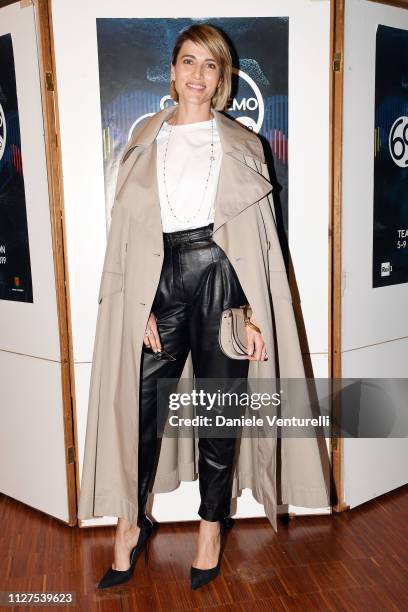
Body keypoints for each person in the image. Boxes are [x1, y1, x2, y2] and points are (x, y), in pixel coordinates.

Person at [97, 23, 269, 590]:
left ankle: (210, 529)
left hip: (221, 278)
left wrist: (252, 312)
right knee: (140, 412)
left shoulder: (243, 144)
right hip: (160, 279)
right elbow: (126, 230)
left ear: (222, 78)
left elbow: (259, 239)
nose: (197, 75)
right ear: (171, 72)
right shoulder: (145, 135)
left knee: (219, 413)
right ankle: (129, 524)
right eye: (188, 62)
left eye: (210, 65)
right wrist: (136, 303)